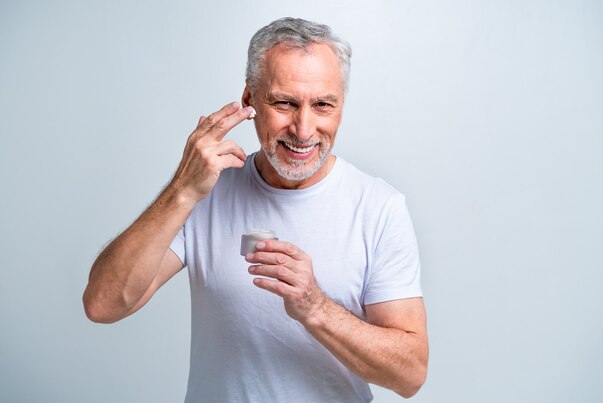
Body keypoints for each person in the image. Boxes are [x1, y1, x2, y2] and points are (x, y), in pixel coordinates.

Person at [83, 17, 428, 402]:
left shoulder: (379, 208)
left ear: (341, 108)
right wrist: (181, 189)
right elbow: (103, 304)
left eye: (323, 105)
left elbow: (409, 375)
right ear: (249, 100)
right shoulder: (205, 192)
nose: (303, 129)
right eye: (284, 103)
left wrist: (315, 307)